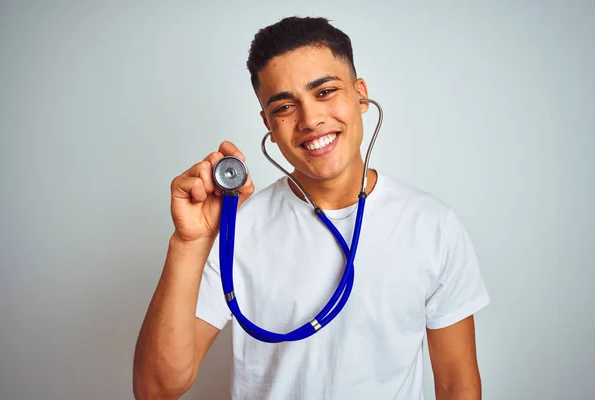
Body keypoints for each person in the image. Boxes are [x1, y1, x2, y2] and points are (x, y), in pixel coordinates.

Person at [133, 16, 490, 400]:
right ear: (268, 123)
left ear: (361, 95)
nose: (310, 120)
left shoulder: (432, 226)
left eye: (324, 92)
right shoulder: (235, 231)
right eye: (285, 106)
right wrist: (189, 243)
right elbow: (156, 389)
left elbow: (457, 384)